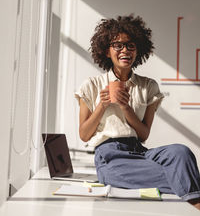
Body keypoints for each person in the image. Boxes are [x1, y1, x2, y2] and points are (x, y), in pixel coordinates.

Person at [75, 15, 200, 210]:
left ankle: (188, 189)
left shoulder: (148, 86)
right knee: (177, 174)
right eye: (117, 45)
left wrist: (126, 107)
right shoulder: (91, 86)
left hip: (140, 152)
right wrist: (103, 104)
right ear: (107, 51)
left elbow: (143, 135)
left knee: (180, 152)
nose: (125, 50)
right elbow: (84, 135)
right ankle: (194, 196)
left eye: (130, 45)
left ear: (138, 50)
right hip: (110, 156)